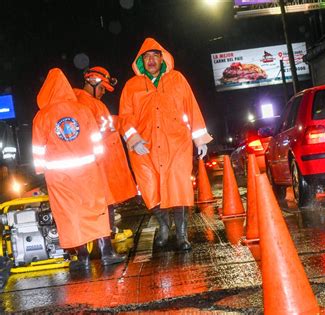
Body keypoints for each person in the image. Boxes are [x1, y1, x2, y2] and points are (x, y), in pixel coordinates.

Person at [119, 38, 213, 251]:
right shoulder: (131, 86)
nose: (151, 60)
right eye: (147, 57)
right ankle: (163, 226)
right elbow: (125, 117)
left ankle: (181, 235)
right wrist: (134, 140)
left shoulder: (177, 79)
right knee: (150, 190)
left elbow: (191, 107)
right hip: (145, 148)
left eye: (155, 55)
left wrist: (200, 139)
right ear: (141, 61)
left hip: (176, 145)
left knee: (179, 188)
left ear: (162, 58)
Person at [32, 68, 125, 270]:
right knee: (96, 208)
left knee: (70, 214)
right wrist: (97, 159)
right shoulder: (82, 110)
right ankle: (106, 252)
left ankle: (82, 257)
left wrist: (41, 168)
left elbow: (38, 147)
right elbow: (95, 139)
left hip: (60, 177)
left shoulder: (42, 116)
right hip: (87, 172)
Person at [74, 66, 137, 241]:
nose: (103, 92)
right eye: (102, 88)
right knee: (103, 201)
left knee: (106, 200)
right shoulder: (85, 102)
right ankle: (106, 238)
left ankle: (110, 232)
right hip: (98, 163)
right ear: (92, 82)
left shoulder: (83, 101)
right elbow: (98, 126)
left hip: (99, 161)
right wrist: (120, 121)